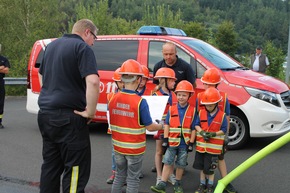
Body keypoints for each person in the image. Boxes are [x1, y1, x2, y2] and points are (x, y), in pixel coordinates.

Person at [37, 19, 100, 193]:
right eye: (94, 37)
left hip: (46, 114)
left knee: (50, 165)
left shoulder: (51, 47)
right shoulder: (82, 48)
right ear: (87, 32)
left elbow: (40, 75)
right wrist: (90, 112)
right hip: (70, 118)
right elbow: (93, 82)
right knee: (75, 168)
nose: (93, 42)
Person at [109, 59, 164, 193]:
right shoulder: (140, 102)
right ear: (139, 79)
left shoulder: (113, 98)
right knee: (133, 179)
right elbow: (150, 127)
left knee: (119, 177)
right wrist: (161, 126)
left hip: (117, 147)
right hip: (134, 149)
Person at [150, 80, 197, 193]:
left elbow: (194, 128)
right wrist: (165, 139)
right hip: (172, 142)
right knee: (167, 162)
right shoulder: (172, 109)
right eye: (179, 94)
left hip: (184, 144)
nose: (181, 97)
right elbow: (166, 124)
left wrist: (191, 142)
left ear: (189, 95)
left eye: (184, 95)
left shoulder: (193, 110)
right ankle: (162, 184)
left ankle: (178, 183)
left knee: (181, 164)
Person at [197, 68, 237, 193]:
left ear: (216, 84)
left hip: (218, 136)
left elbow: (227, 117)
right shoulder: (200, 96)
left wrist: (225, 136)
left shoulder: (223, 97)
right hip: (204, 137)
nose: (206, 86)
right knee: (204, 159)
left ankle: (225, 181)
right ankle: (204, 184)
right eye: (205, 83)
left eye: (209, 83)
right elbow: (198, 116)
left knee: (220, 158)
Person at [193, 87, 227, 193]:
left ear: (217, 103)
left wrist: (213, 134)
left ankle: (210, 186)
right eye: (206, 105)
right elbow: (196, 125)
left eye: (211, 105)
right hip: (201, 147)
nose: (208, 107)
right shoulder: (201, 112)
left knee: (211, 169)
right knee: (202, 167)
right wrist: (202, 132)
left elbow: (224, 130)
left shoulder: (222, 116)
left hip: (213, 149)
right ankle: (202, 184)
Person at [152, 67, 178, 185]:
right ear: (165, 80)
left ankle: (170, 174)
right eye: (172, 80)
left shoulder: (174, 95)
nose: (174, 82)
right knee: (159, 152)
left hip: (172, 129)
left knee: (171, 152)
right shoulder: (155, 95)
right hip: (160, 129)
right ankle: (159, 175)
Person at [106, 67, 124, 184]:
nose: (123, 84)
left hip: (127, 130)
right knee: (115, 152)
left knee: (127, 153)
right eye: (121, 81)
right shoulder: (111, 96)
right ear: (116, 82)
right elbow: (109, 113)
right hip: (115, 130)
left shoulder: (133, 96)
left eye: (124, 81)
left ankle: (124, 174)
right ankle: (115, 172)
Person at [0, 44, 10, 129]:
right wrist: (1, 68)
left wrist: (3, 69)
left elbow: (6, 70)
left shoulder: (4, 59)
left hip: (0, 83)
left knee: (0, 103)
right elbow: (3, 69)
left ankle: (0, 122)